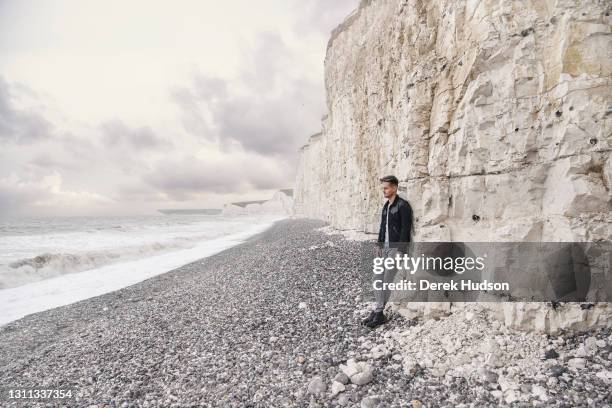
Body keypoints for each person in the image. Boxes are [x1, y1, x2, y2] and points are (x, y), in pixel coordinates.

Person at [362, 175, 414, 328]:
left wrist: (400, 251)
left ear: (395, 188)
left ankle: (378, 312)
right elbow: (382, 227)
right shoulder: (386, 206)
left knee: (386, 281)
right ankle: (378, 311)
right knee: (377, 279)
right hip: (383, 249)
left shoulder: (403, 206)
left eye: (386, 188)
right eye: (383, 188)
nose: (383, 191)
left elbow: (405, 230)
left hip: (395, 249)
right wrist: (378, 245)